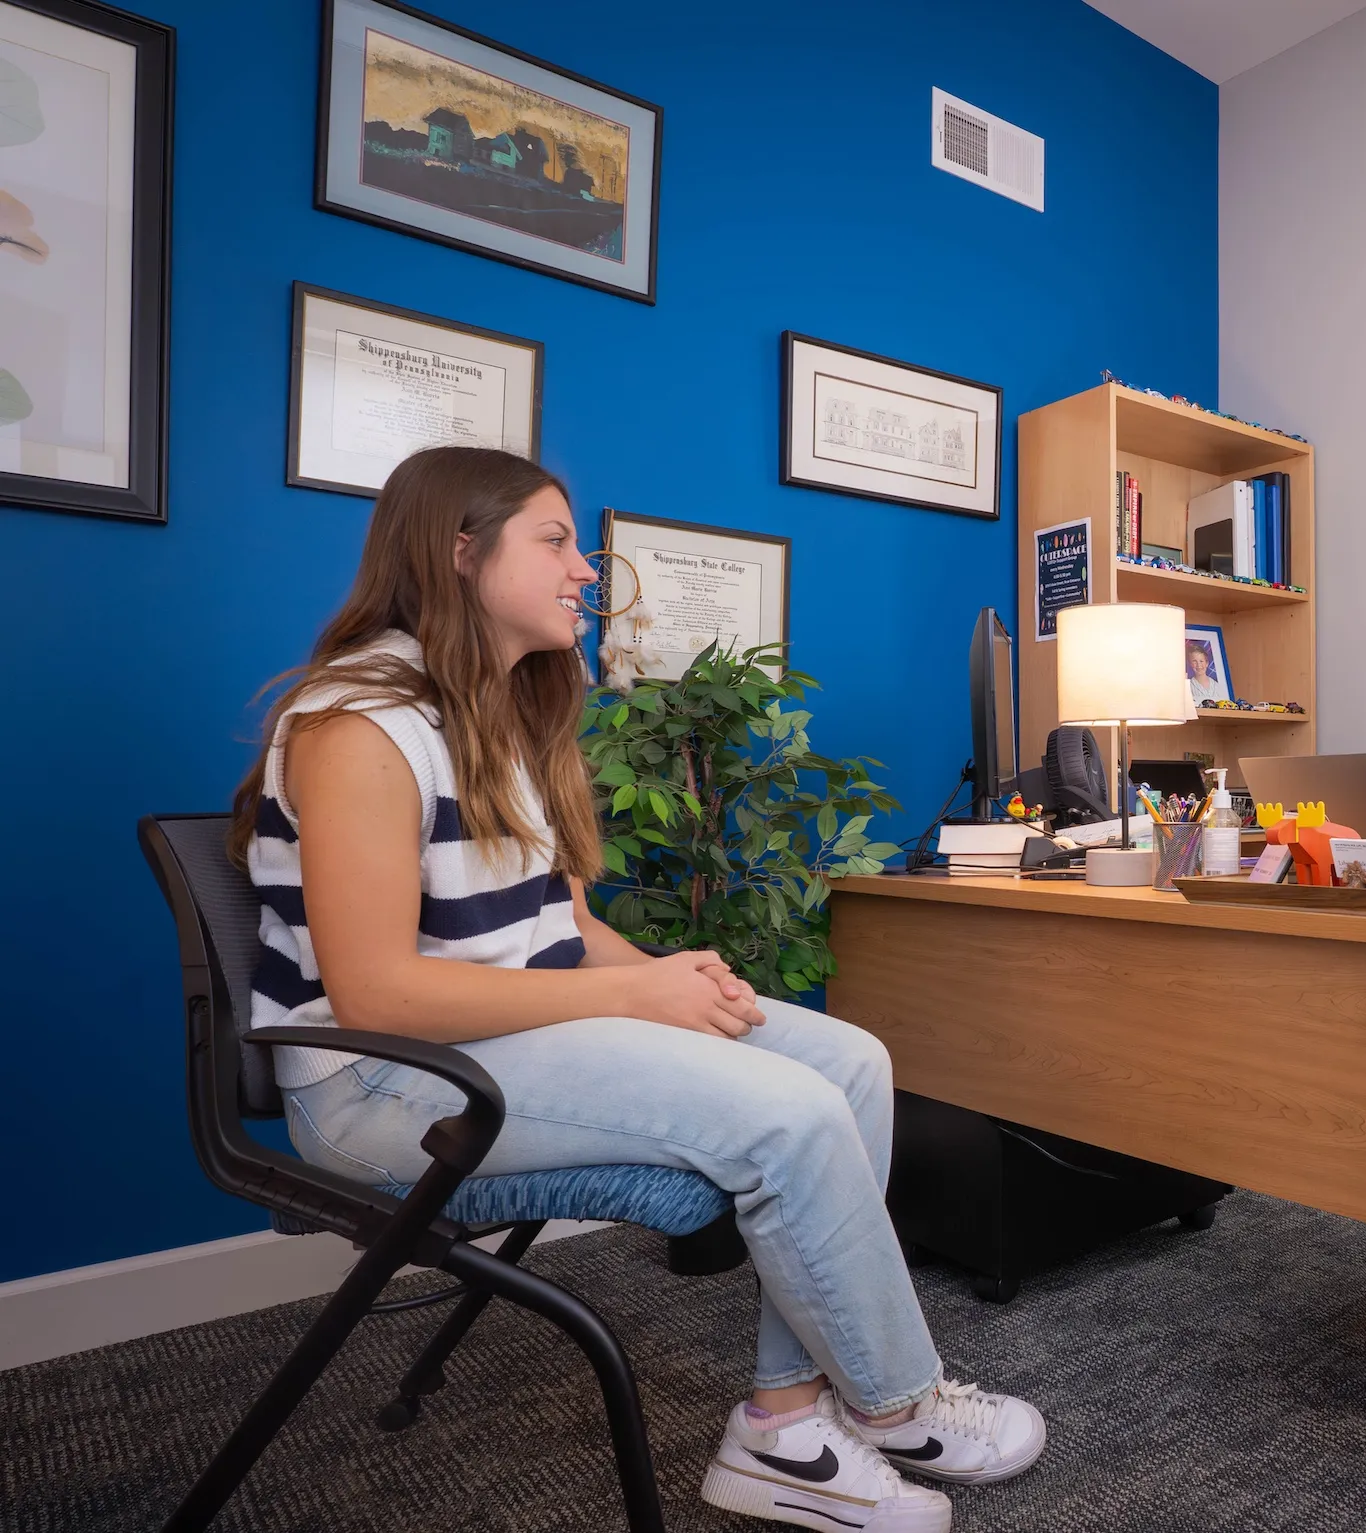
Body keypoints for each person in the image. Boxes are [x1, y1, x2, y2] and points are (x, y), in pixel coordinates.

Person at [229, 446, 1040, 1533]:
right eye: (557, 542)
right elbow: (377, 996)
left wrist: (666, 975)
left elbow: (557, 928)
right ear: (459, 553)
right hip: (384, 1088)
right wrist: (632, 998)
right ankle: (890, 1401)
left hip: (502, 1049)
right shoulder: (357, 725)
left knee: (847, 1060)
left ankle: (784, 1424)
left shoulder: (497, 715)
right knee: (786, 1114)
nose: (587, 573)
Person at [1186, 639, 1226, 704]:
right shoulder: (1188, 687)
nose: (1199, 665)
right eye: (1194, 661)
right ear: (1190, 664)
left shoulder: (1217, 686)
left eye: (1201, 661)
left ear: (1207, 663)